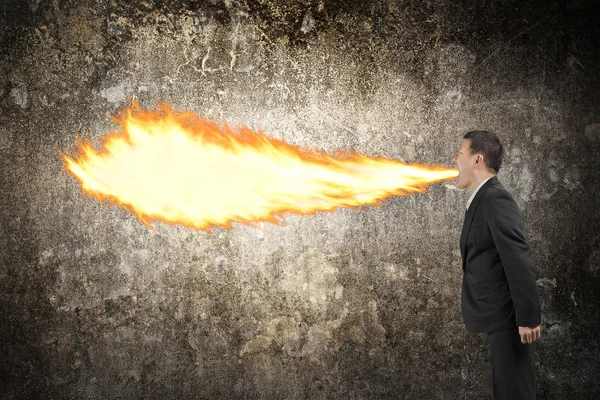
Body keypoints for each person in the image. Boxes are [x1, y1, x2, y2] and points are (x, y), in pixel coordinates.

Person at [452, 130, 542, 400]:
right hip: (498, 318)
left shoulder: (495, 199)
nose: (454, 158)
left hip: (510, 320)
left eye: (460, 152)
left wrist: (527, 318)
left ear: (477, 160)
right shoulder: (482, 199)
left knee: (515, 393)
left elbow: (517, 258)